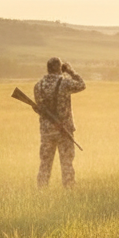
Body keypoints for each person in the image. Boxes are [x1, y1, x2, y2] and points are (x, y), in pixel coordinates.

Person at [33, 57, 86, 188]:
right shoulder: (64, 83)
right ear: (59, 68)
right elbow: (82, 84)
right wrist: (70, 71)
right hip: (64, 130)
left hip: (46, 131)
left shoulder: (38, 85)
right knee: (67, 163)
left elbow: (39, 109)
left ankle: (41, 191)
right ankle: (69, 191)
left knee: (45, 163)